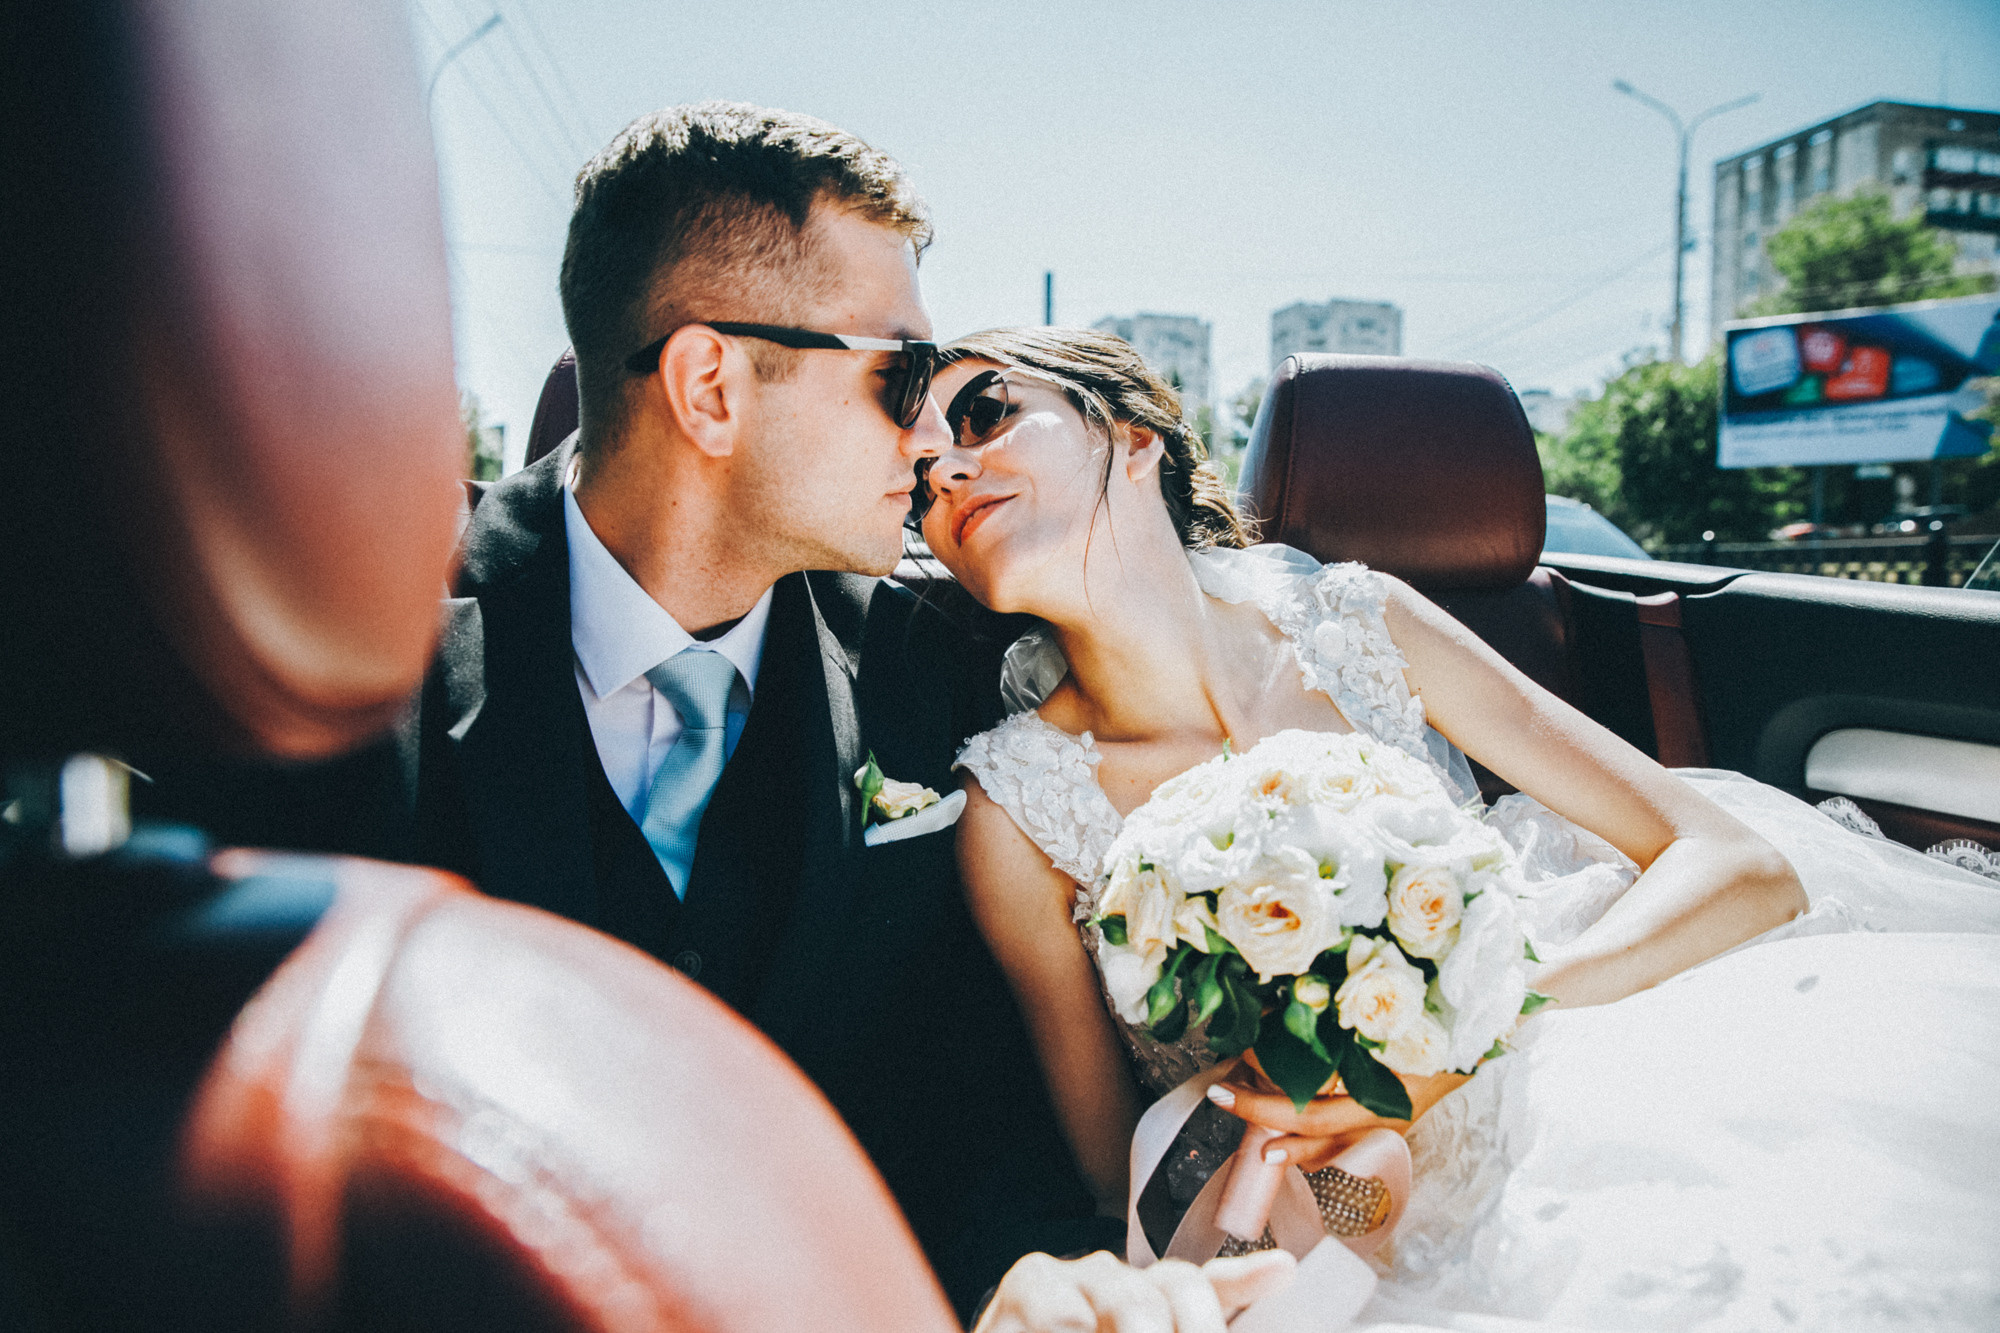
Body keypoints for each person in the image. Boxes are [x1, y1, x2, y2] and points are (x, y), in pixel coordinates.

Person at [923, 326, 2000, 1330]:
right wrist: (1335, 1171)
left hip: (1586, 1051)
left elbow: (1739, 863)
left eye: (980, 413)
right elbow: (1122, 1178)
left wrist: (1457, 1036)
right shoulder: (1014, 808)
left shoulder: (1359, 625)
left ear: (1131, 433)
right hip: (1338, 1216)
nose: (947, 470)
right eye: (918, 472)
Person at [408, 104, 1227, 1324]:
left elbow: (967, 1103)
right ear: (710, 387)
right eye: (897, 372)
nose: (932, 432)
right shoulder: (362, 665)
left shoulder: (937, 665)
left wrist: (1024, 1279)